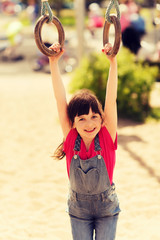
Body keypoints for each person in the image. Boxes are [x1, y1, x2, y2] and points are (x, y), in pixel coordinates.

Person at [48, 42, 121, 240]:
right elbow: (59, 99)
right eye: (82, 119)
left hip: (107, 209)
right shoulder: (70, 138)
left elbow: (111, 98)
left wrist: (112, 63)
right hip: (79, 211)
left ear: (102, 118)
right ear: (73, 122)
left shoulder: (106, 136)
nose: (89, 124)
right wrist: (53, 63)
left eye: (94, 117)